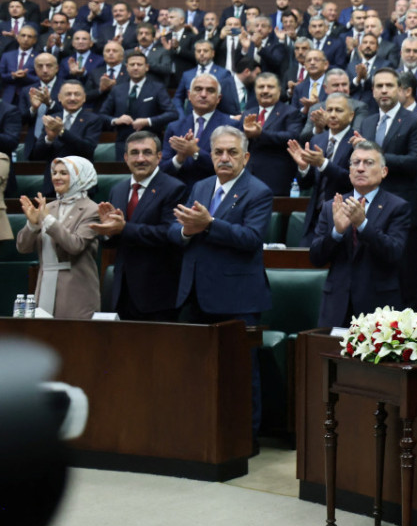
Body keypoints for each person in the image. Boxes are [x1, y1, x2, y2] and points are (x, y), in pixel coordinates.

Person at [170, 125, 272, 435]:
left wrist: (209, 224)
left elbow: (251, 238)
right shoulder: (200, 186)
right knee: (196, 371)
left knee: (240, 372)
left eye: (232, 152)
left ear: (245, 157)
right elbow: (177, 230)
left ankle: (245, 437)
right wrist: (187, 231)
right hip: (196, 293)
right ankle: (200, 432)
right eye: (218, 152)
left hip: (237, 296)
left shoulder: (258, 191)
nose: (224, 158)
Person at [309, 140, 410, 328]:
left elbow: (394, 253)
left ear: (383, 172)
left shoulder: (397, 207)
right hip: (336, 306)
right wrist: (336, 233)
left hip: (379, 309)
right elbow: (315, 257)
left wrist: (362, 225)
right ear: (349, 171)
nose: (360, 168)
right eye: (355, 163)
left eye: (368, 163)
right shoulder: (332, 206)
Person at [89, 131, 187, 322]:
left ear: (159, 156)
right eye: (134, 153)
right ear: (125, 158)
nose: (140, 158)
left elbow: (169, 234)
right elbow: (113, 240)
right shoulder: (118, 189)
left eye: (147, 152)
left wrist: (123, 228)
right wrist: (107, 232)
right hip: (122, 291)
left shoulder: (174, 188)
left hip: (158, 295)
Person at [357, 68, 417, 309]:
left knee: (405, 280)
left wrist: (377, 157)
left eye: (389, 86)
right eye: (379, 86)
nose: (384, 90)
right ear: (373, 91)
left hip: (403, 212)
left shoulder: (414, 120)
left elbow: (415, 161)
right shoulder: (366, 122)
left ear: (400, 90)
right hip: (370, 211)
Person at [15, 156, 100, 319]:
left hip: (76, 292)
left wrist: (48, 220)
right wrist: (32, 226)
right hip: (44, 285)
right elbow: (23, 248)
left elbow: (75, 245)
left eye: (64, 173)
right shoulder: (47, 207)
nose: (56, 177)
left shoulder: (92, 210)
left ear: (80, 176)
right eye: (54, 173)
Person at [290, 93, 355, 246]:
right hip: (315, 218)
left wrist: (324, 163)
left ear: (351, 115)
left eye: (338, 110)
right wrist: (303, 168)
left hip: (343, 217)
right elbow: (306, 185)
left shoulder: (356, 141)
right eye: (329, 110)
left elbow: (352, 180)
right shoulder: (317, 139)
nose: (332, 115)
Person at [243, 73, 304, 196]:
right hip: (248, 176)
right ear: (255, 90)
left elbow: (292, 137)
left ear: (279, 90)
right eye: (261, 87)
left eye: (270, 87)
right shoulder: (248, 114)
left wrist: (261, 134)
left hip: (276, 178)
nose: (265, 91)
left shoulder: (290, 112)